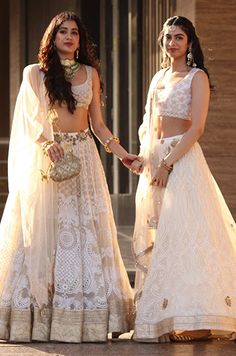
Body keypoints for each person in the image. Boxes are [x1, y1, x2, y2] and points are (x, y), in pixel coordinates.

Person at [0, 11, 138, 343]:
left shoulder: (90, 74)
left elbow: (99, 126)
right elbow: (30, 121)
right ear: (52, 37)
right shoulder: (35, 73)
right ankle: (34, 314)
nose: (69, 36)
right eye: (62, 31)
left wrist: (124, 156)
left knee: (86, 233)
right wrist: (48, 143)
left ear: (81, 39)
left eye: (74, 32)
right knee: (44, 231)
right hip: (48, 163)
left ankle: (87, 317)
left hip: (85, 162)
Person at [130, 15, 236, 342]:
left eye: (179, 37)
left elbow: (197, 129)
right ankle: (166, 315)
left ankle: (200, 320)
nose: (172, 42)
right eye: (168, 37)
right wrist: (144, 158)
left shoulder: (196, 77)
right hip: (155, 163)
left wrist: (168, 163)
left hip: (182, 161)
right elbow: (149, 122)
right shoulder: (159, 77)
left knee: (185, 236)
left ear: (190, 42)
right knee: (161, 239)